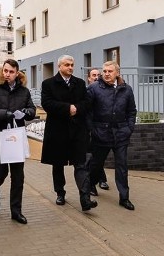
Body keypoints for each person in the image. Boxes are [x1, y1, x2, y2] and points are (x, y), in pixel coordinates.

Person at [0, 59, 36, 224]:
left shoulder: (23, 92)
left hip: (16, 139)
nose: (7, 74)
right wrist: (6, 114)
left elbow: (32, 110)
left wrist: (26, 112)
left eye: (11, 71)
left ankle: (16, 211)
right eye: (5, 71)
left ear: (17, 73)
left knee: (18, 177)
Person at [41, 55, 96, 212]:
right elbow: (47, 103)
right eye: (67, 65)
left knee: (81, 164)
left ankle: (85, 198)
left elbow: (87, 102)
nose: (70, 67)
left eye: (72, 64)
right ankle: (60, 192)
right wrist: (67, 109)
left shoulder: (79, 83)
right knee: (58, 164)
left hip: (77, 131)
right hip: (58, 131)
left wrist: (77, 108)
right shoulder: (48, 84)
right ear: (59, 66)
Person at [87, 61, 137, 211]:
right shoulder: (94, 88)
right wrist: (92, 130)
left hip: (121, 134)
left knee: (122, 166)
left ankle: (124, 197)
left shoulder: (126, 89)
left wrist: (129, 128)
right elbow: (87, 112)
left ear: (117, 73)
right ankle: (90, 185)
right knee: (96, 163)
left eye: (110, 71)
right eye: (104, 71)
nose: (106, 74)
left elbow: (131, 111)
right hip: (101, 133)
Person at [86, 67, 110, 195]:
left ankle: (100, 180)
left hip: (102, 130)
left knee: (97, 157)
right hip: (91, 129)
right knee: (94, 158)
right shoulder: (88, 91)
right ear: (89, 78)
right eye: (93, 75)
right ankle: (93, 182)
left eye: (98, 75)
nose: (96, 77)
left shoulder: (104, 90)